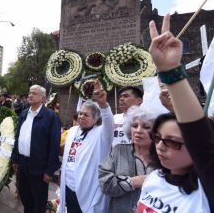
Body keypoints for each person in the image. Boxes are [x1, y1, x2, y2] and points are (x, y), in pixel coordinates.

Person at [137, 14, 213, 212]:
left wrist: (171, 71)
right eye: (158, 138)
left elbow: (199, 136)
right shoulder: (153, 179)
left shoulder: (205, 193)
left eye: (173, 141)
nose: (160, 146)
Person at [59, 80, 114, 213]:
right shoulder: (72, 131)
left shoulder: (101, 134)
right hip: (68, 186)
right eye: (80, 113)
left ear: (95, 119)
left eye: (86, 115)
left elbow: (108, 121)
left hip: (87, 190)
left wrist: (103, 104)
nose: (81, 117)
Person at [98, 105, 159, 212]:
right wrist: (132, 182)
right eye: (135, 126)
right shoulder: (118, 151)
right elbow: (105, 184)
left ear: (156, 132)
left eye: (146, 127)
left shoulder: (162, 158)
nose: (138, 130)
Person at [11, 84, 61, 213]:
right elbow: (18, 137)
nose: (30, 95)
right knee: (25, 196)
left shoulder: (50, 116)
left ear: (43, 98)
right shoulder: (23, 113)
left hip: (39, 167)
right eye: (30, 92)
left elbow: (54, 145)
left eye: (34, 93)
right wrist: (15, 159)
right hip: (22, 163)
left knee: (39, 200)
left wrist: (50, 171)